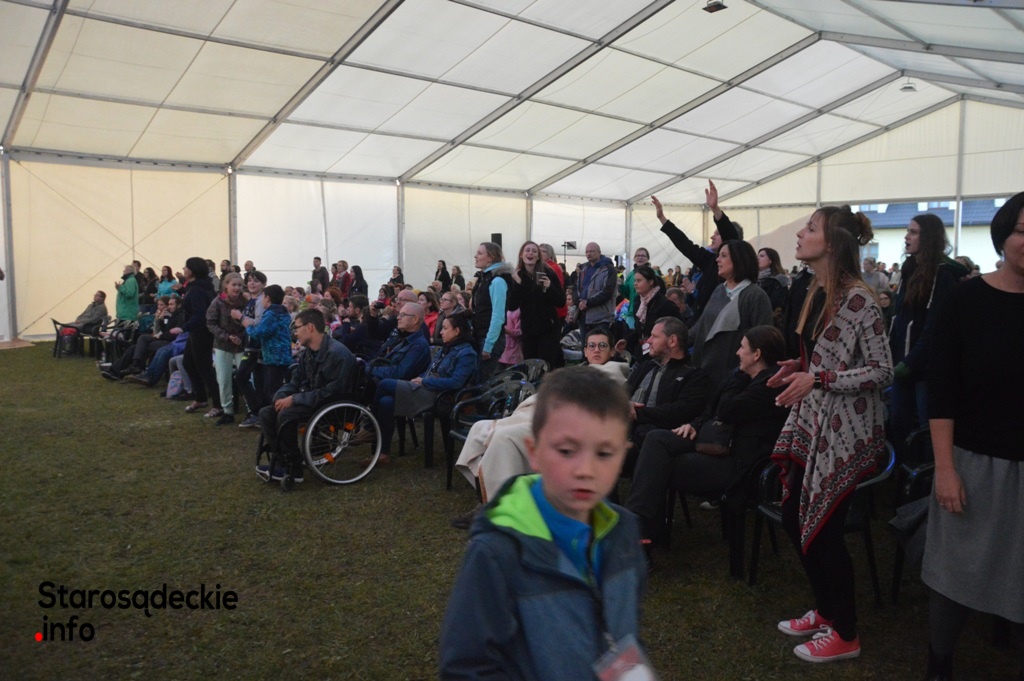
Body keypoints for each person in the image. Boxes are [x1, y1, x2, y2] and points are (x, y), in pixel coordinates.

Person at [440, 366, 651, 680]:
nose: (586, 470)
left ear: (624, 454)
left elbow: (622, 636)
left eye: (605, 453)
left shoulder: (622, 533)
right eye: (566, 450)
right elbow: (466, 666)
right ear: (534, 452)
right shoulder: (497, 551)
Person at [769, 205, 892, 663]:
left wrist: (818, 379)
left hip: (845, 432)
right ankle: (826, 609)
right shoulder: (818, 291)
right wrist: (798, 367)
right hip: (816, 419)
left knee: (823, 530)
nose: (800, 234)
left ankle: (846, 632)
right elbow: (826, 359)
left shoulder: (860, 300)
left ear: (834, 242)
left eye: (811, 228)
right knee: (793, 516)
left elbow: (882, 371)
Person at [920, 191, 1024, 681]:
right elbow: (942, 391)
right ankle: (939, 663)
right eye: (1022, 231)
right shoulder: (965, 300)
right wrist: (945, 469)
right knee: (957, 570)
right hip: (974, 462)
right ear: (1003, 235)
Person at [626, 325, 789, 546]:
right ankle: (640, 525)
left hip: (740, 466)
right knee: (656, 440)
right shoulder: (750, 380)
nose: (737, 353)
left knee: (654, 466)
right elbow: (712, 409)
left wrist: (739, 376)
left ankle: (640, 530)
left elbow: (727, 409)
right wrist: (694, 425)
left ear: (757, 354)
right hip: (715, 442)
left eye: (742, 348)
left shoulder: (769, 384)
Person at [454, 327, 630, 519]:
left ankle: (504, 509)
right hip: (542, 413)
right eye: (592, 346)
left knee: (504, 438)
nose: (596, 350)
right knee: (479, 428)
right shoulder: (578, 371)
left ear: (611, 351)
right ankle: (488, 498)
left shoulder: (614, 373)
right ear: (585, 351)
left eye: (602, 346)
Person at [887, 214, 967, 452]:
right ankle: (902, 471)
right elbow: (899, 318)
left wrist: (911, 361)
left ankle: (931, 472)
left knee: (928, 428)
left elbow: (935, 327)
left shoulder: (943, 275)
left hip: (926, 369)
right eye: (907, 231)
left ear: (928, 237)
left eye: (913, 232)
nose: (906, 236)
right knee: (899, 423)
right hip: (902, 363)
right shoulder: (909, 269)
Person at [256, 309, 357, 484]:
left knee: (286, 414)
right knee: (266, 412)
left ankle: (294, 469)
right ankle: (285, 460)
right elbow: (295, 381)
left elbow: (331, 392)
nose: (295, 333)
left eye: (297, 327)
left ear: (310, 327)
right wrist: (281, 395)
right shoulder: (308, 353)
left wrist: (295, 399)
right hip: (314, 400)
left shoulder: (337, 354)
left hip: (332, 405)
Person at [367, 313, 477, 465]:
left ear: (457, 331)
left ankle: (369, 427)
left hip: (441, 398)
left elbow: (456, 383)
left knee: (385, 384)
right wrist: (420, 379)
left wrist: (425, 381)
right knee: (386, 402)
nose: (440, 332)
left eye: (445, 328)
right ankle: (383, 453)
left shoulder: (467, 353)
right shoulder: (446, 348)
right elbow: (430, 370)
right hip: (426, 391)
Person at [690, 239, 773, 392]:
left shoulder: (755, 296)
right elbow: (702, 325)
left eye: (723, 256)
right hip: (705, 372)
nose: (717, 260)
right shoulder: (719, 290)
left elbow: (764, 341)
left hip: (733, 379)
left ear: (739, 260)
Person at [652, 181, 742, 322]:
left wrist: (715, 209)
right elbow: (685, 244)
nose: (712, 237)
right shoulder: (710, 260)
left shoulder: (738, 266)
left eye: (717, 234)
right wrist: (662, 218)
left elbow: (731, 237)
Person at [234, 284, 293, 429]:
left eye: (263, 297)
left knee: (272, 391)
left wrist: (245, 322)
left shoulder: (272, 314)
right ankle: (271, 418)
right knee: (270, 389)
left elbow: (259, 333)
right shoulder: (281, 312)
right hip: (278, 356)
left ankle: (276, 421)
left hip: (275, 357)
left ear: (267, 298)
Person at [509, 240, 564, 369]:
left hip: (548, 328)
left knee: (547, 365)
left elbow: (561, 302)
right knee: (531, 366)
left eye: (534, 251)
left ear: (538, 256)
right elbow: (512, 305)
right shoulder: (518, 276)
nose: (530, 253)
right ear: (521, 255)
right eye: (527, 250)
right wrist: (518, 284)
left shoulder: (548, 273)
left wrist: (549, 288)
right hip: (529, 329)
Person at [177, 257, 220, 416]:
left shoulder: (197, 290)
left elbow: (200, 315)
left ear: (193, 270)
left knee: (205, 368)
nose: (184, 269)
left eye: (186, 267)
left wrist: (183, 327)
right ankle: (200, 397)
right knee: (188, 363)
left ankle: (218, 404)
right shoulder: (197, 286)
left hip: (202, 332)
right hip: (196, 331)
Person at [207, 272, 247, 424]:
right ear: (226, 286)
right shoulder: (218, 302)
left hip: (242, 344)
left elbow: (251, 321)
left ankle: (251, 409)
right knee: (223, 379)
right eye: (234, 285)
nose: (237, 288)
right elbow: (210, 323)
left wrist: (241, 337)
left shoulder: (246, 302)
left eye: (239, 285)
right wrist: (226, 336)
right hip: (223, 345)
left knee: (246, 377)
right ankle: (227, 410)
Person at [618, 264, 679, 360]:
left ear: (650, 282)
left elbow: (676, 331)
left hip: (661, 354)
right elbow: (640, 330)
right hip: (644, 351)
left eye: (639, 280)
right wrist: (627, 341)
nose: (635, 284)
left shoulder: (664, 305)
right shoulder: (638, 301)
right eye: (635, 281)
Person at [471, 242, 513, 379]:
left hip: (489, 338)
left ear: (490, 258)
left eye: (479, 253)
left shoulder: (497, 281)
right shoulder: (485, 278)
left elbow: (498, 316)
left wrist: (488, 345)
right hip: (481, 335)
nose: (475, 256)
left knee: (482, 382)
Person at [232, 270, 267, 428]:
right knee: (256, 380)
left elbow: (258, 323)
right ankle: (259, 413)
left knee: (242, 376)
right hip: (249, 343)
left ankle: (256, 412)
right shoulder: (251, 300)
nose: (252, 283)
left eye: (256, 281)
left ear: (263, 284)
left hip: (256, 346)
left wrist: (240, 317)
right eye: (250, 280)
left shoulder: (260, 301)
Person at [575, 242, 618, 340]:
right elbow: (575, 288)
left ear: (599, 252)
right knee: (585, 346)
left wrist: (588, 303)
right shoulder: (583, 269)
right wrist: (578, 302)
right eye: (587, 251)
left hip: (601, 317)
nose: (589, 254)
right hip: (584, 316)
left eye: (592, 251)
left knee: (601, 344)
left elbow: (608, 292)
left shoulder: (609, 269)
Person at [619, 247, 651, 330]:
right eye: (638, 255)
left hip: (648, 312)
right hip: (632, 312)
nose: (640, 258)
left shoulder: (652, 274)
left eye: (643, 256)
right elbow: (627, 294)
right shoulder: (630, 274)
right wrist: (620, 285)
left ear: (648, 258)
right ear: (634, 258)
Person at [757, 247, 790, 322]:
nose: (758, 258)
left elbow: (777, 304)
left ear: (771, 260)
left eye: (762, 256)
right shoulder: (754, 279)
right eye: (758, 256)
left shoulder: (778, 280)